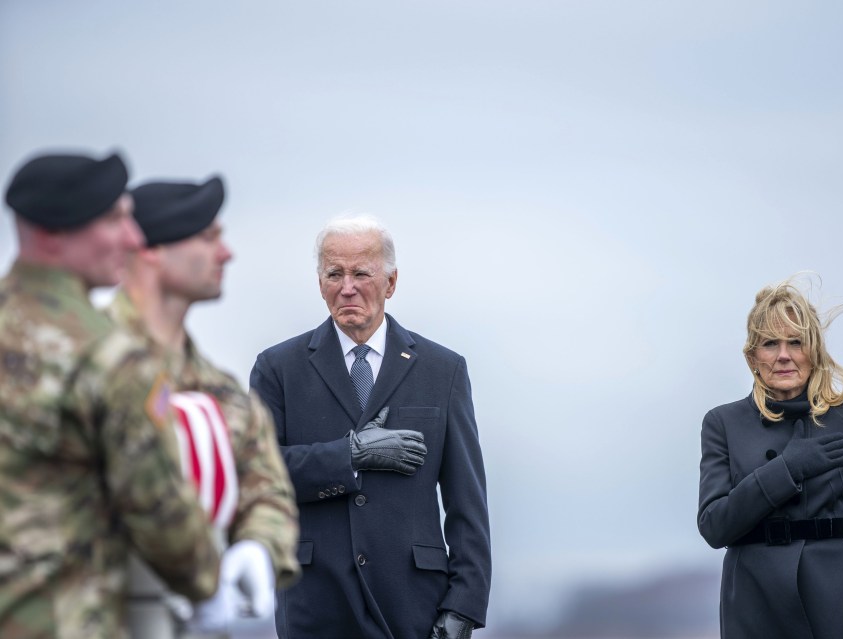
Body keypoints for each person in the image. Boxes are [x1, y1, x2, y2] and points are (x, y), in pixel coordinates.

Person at [0, 150, 220, 637]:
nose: (134, 237)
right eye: (114, 219)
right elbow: (160, 513)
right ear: (55, 232)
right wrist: (209, 580)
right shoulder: (109, 358)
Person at [250, 215, 492, 639]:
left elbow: (466, 501)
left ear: (391, 283)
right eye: (334, 274)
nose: (347, 287)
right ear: (320, 282)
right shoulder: (277, 368)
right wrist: (351, 455)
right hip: (315, 603)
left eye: (362, 273)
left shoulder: (443, 370)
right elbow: (259, 476)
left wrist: (465, 605)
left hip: (416, 605)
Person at [107, 176, 302, 636]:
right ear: (151, 249)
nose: (226, 253)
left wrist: (257, 547)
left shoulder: (224, 393)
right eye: (208, 237)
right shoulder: (79, 365)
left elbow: (268, 490)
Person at [697, 279, 843, 639]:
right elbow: (714, 527)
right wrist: (786, 469)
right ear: (752, 357)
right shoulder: (722, 423)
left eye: (796, 342)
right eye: (770, 343)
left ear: (814, 351)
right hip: (756, 604)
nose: (784, 355)